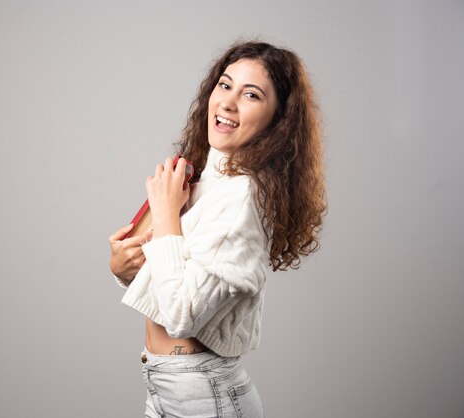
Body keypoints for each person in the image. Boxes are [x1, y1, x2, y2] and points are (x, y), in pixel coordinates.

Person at [108, 40, 326, 418]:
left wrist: (164, 215)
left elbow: (181, 316)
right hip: (165, 388)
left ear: (278, 119)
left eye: (251, 95)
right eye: (225, 85)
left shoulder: (243, 194)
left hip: (204, 398)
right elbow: (179, 284)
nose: (227, 102)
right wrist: (125, 270)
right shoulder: (211, 177)